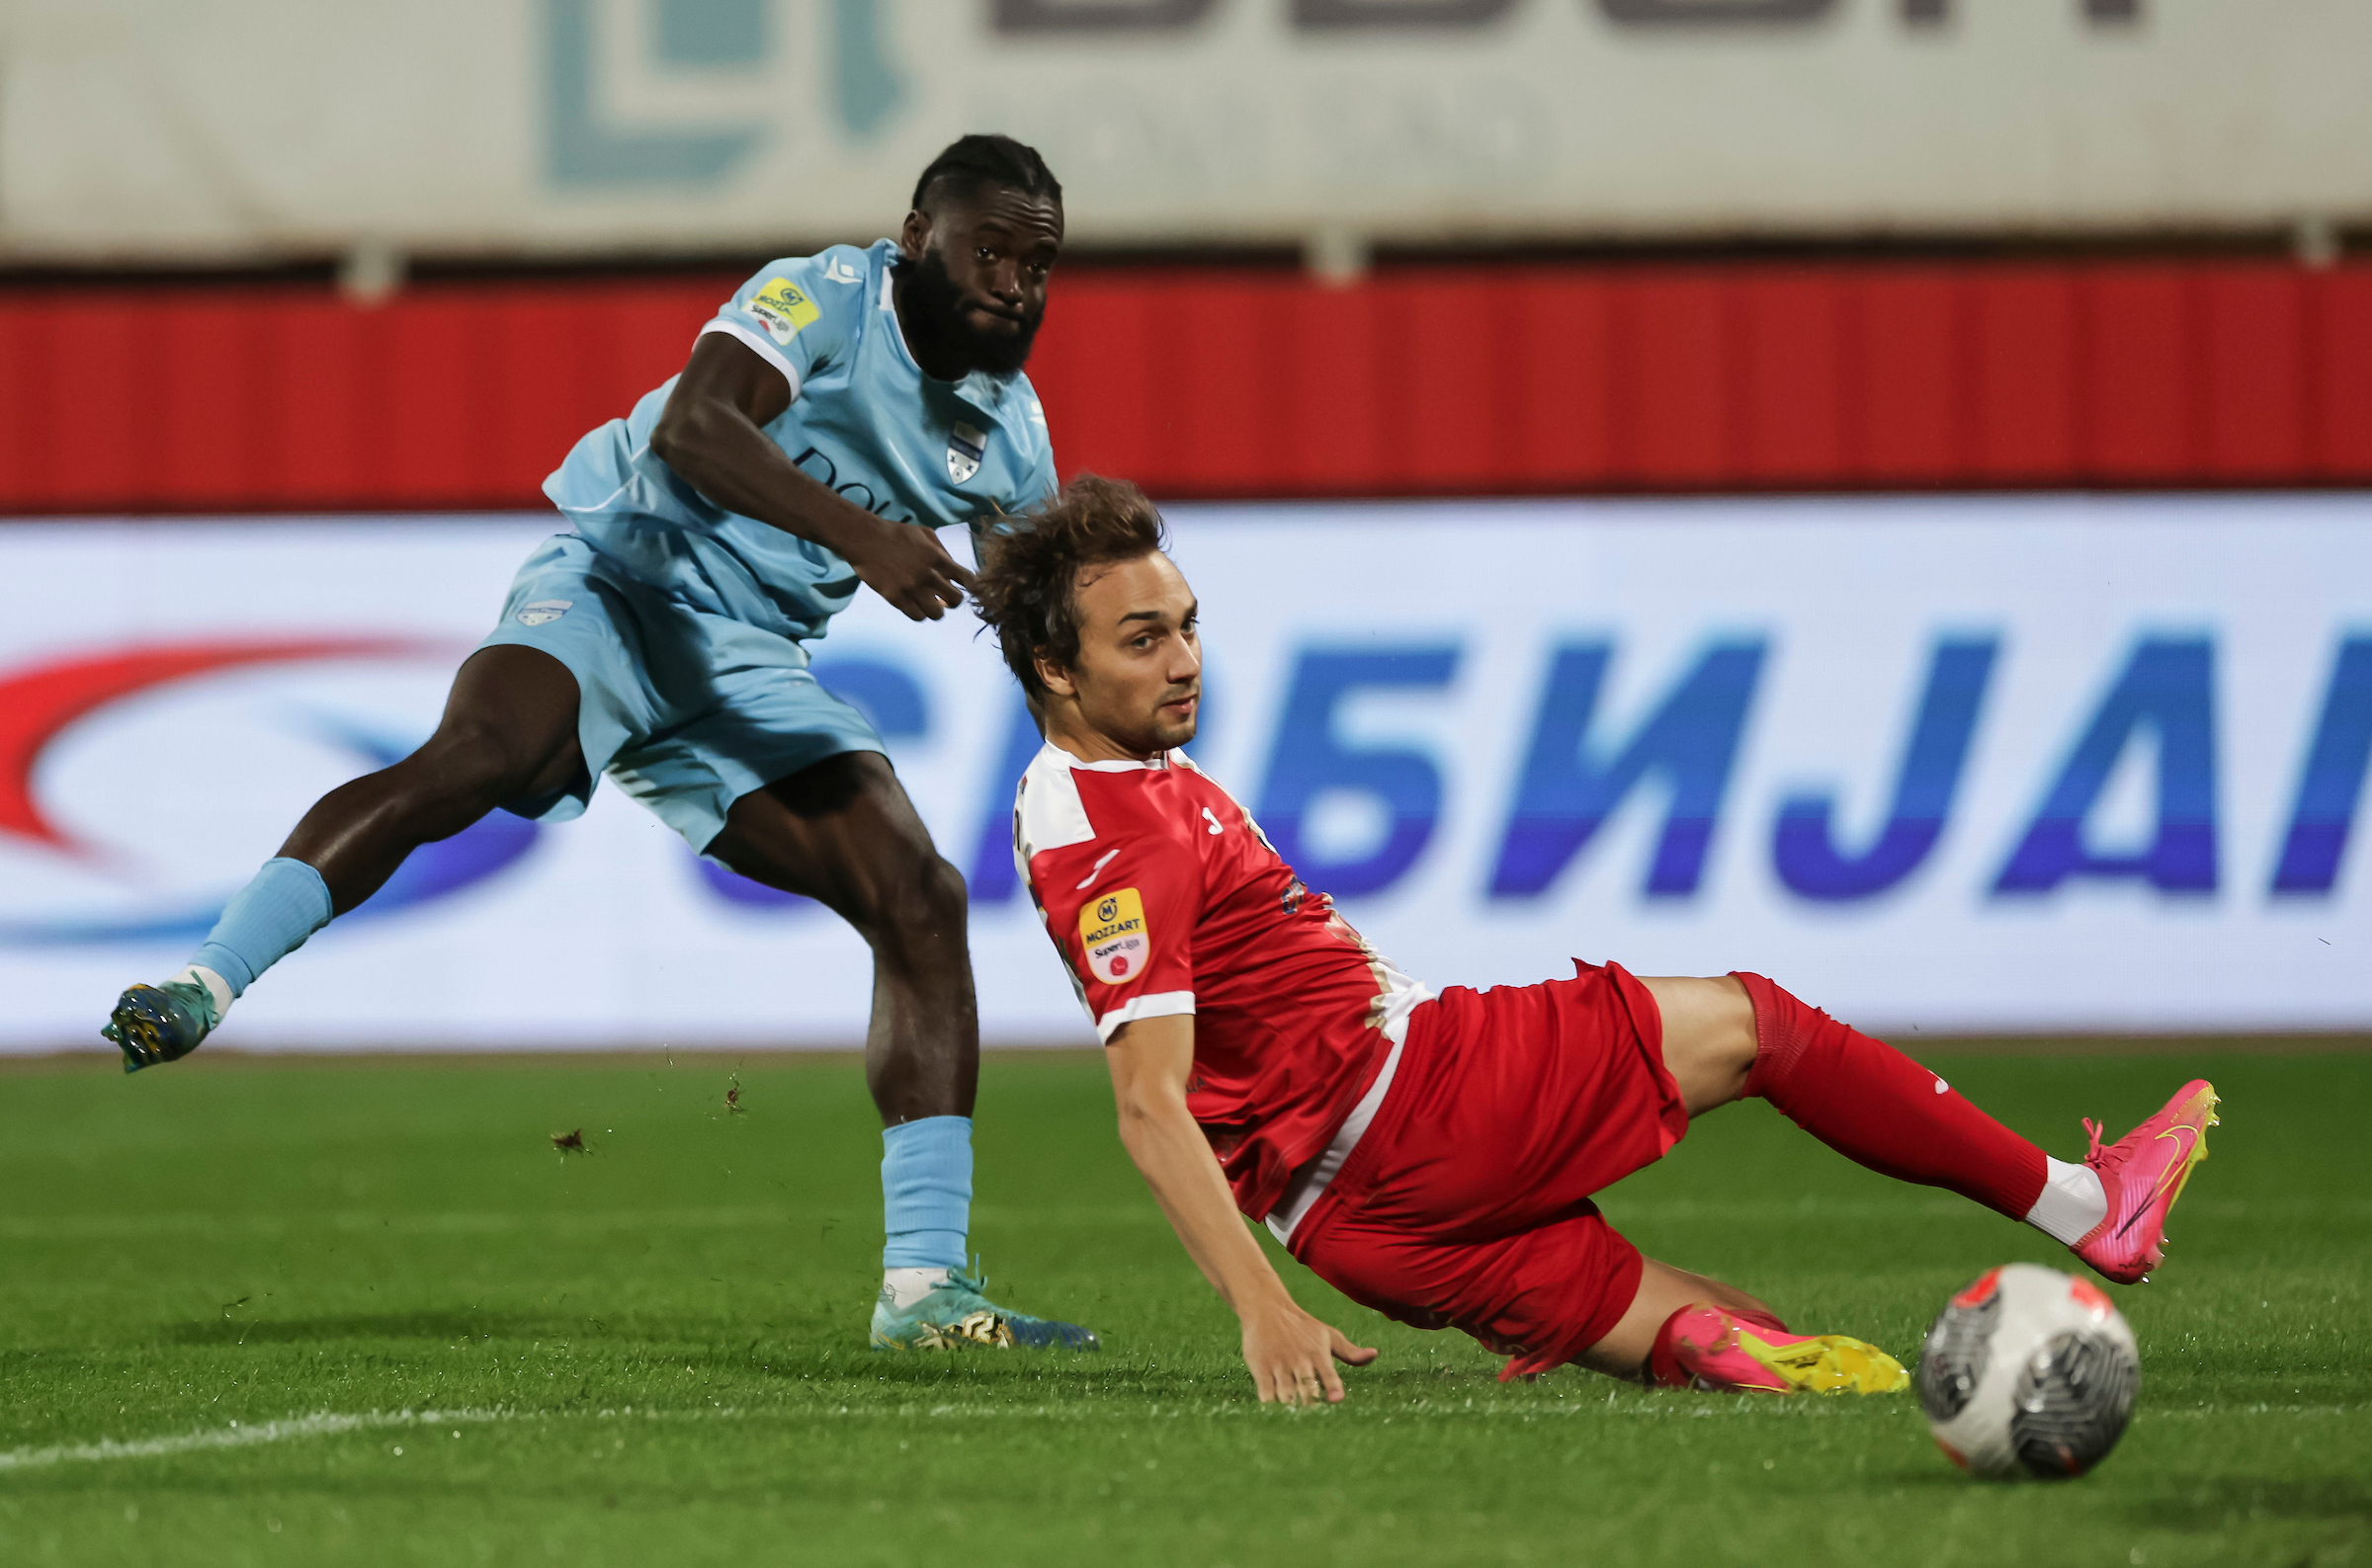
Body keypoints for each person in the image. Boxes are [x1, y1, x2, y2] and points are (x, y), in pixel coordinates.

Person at [102, 134, 1099, 1356]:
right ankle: (203, 983)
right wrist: (868, 538)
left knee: (922, 898)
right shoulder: (828, 297)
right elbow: (694, 428)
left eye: (1037, 264)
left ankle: (925, 1295)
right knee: (480, 755)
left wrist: (1112, 699)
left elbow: (1041, 606)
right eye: (987, 251)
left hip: (745, 665)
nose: (1012, 284)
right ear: (915, 240)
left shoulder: (1009, 434)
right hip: (617, 584)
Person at [974, 474, 2219, 1405]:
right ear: (1056, 670)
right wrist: (1260, 1312)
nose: (1186, 659)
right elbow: (1149, 1103)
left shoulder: (1094, 781)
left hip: (1356, 1227)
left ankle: (1963, 1398)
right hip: (1413, 1101)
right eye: (1146, 641)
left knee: (1739, 1341)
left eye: (1188, 623)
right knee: (1757, 1025)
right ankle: (2082, 1207)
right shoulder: (1110, 836)